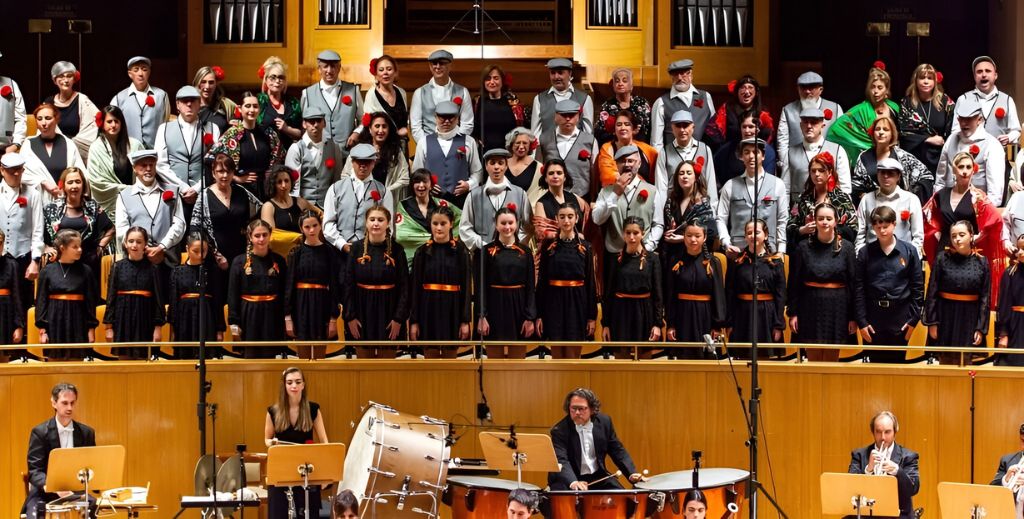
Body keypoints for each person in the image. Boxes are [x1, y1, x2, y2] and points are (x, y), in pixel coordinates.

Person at [923, 152, 1004, 299]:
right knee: (940, 291)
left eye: (968, 167)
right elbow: (927, 215)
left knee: (966, 293)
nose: (965, 171)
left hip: (967, 251)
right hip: (944, 248)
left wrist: (976, 238)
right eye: (961, 167)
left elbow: (996, 220)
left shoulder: (978, 196)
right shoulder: (941, 194)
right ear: (954, 170)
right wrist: (935, 233)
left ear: (974, 170)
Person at [854, 206, 925, 363]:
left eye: (886, 226)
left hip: (901, 318)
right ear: (873, 228)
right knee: (875, 367)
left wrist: (913, 320)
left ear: (894, 224)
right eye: (878, 227)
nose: (882, 231)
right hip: (873, 318)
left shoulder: (910, 251)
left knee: (898, 368)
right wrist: (862, 322)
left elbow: (917, 288)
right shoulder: (865, 253)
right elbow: (858, 289)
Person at [787, 203, 857, 360]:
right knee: (813, 358)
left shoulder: (847, 248)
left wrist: (853, 316)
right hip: (810, 307)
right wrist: (793, 313)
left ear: (836, 221)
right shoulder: (802, 247)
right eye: (820, 218)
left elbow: (853, 284)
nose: (824, 222)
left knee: (832, 360)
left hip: (838, 308)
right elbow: (794, 283)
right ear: (814, 220)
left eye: (828, 218)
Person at [343, 204, 409, 359]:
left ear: (388, 223)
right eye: (372, 219)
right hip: (362, 314)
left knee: (387, 366)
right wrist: (350, 317)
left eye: (380, 220)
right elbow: (347, 284)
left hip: (389, 313)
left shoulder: (398, 250)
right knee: (364, 362)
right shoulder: (356, 249)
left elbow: (405, 287)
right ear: (366, 223)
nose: (376, 223)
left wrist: (398, 319)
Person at [115, 150, 185, 294]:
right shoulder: (123, 196)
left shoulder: (173, 191)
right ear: (134, 168)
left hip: (167, 262)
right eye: (143, 166)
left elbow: (179, 224)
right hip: (137, 264)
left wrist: (162, 247)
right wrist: (144, 250)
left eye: (151, 165)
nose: (148, 169)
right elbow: (122, 230)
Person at [24, 383, 96, 519]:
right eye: (65, 403)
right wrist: (52, 487)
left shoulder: (87, 433)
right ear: (54, 403)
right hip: (44, 494)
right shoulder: (39, 432)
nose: (69, 408)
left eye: (72, 403)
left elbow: (91, 467)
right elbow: (35, 471)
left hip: (75, 493)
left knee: (93, 507)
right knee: (33, 515)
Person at [264, 367, 329, 518]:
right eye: (290, 382)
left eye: (297, 382)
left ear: (303, 385)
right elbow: (267, 439)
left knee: (306, 513)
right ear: (284, 385)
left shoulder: (313, 409)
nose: (294, 386)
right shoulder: (273, 411)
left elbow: (325, 442)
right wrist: (272, 442)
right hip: (281, 470)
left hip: (307, 471)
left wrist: (325, 475)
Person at [923, 220, 990, 365]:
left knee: (967, 363)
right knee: (946, 361)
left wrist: (980, 328)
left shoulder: (982, 262)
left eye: (961, 235)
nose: (957, 239)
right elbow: (932, 292)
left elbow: (985, 298)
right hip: (946, 315)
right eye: (953, 236)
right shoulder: (942, 258)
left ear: (971, 236)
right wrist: (932, 322)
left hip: (970, 317)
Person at [409, 204, 472, 358]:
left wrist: (465, 321)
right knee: (430, 356)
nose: (439, 228)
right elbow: (415, 289)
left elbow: (466, 288)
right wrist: (414, 321)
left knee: (450, 356)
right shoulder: (422, 252)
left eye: (443, 223)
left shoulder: (461, 251)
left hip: (453, 310)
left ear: (451, 224)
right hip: (428, 310)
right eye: (435, 223)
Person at [548, 388, 642, 491]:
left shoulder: (604, 422)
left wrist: (631, 473)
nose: (577, 412)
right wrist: (573, 482)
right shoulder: (560, 430)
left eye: (582, 409)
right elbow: (561, 460)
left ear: (592, 409)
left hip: (597, 476)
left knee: (624, 498)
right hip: (569, 478)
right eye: (573, 408)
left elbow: (617, 450)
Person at [536, 203, 597, 359]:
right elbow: (542, 282)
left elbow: (590, 283)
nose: (566, 221)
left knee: (572, 352)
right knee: (556, 351)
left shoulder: (585, 247)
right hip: (554, 302)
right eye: (562, 217)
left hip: (578, 303)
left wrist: (592, 316)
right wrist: (539, 315)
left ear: (576, 218)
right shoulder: (549, 246)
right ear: (556, 219)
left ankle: (574, 383)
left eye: (570, 216)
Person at [42, 167, 114, 298]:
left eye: (78, 181)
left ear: (83, 184)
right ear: (63, 185)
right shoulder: (51, 208)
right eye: (70, 182)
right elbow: (40, 233)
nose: (74, 186)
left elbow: (110, 228)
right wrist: (46, 247)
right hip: (60, 263)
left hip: (87, 262)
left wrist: (100, 246)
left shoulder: (93, 206)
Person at [476, 207, 536, 359]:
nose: (507, 227)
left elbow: (530, 287)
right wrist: (482, 316)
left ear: (516, 224)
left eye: (511, 222)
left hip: (518, 308)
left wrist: (530, 317)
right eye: (503, 223)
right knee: (494, 362)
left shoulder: (525, 252)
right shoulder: (486, 251)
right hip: (494, 307)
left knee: (517, 363)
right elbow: (480, 287)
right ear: (496, 225)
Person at [154, 86, 221, 219]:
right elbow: (160, 164)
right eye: (185, 101)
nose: (189, 104)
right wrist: (183, 188)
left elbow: (215, 164)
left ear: (199, 104)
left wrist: (197, 189)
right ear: (177, 105)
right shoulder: (164, 129)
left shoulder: (212, 128)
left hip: (203, 194)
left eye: (193, 100)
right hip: (174, 195)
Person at [206, 91, 285, 201]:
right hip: (241, 192)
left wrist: (271, 176)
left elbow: (280, 156)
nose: (252, 110)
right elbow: (210, 159)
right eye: (247, 106)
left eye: (255, 106)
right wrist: (235, 178)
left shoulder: (268, 132)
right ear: (239, 108)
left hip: (267, 190)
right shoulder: (232, 134)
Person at [716, 138, 789, 257]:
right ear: (741, 157)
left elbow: (782, 219)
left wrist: (781, 249)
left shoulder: (777, 184)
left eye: (756, 152)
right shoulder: (730, 186)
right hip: (738, 252)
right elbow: (721, 218)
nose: (751, 156)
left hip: (769, 251)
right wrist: (726, 244)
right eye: (746, 152)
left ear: (763, 156)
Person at [664, 220, 726, 359]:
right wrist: (671, 323)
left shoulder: (713, 262)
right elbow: (670, 294)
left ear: (704, 238)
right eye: (689, 235)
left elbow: (718, 294)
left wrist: (717, 325)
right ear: (683, 237)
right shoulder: (675, 261)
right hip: (682, 316)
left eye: (697, 236)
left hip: (705, 316)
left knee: (707, 360)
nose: (693, 239)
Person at [724, 219, 786, 358]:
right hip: (742, 316)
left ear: (765, 235)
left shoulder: (775, 262)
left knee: (765, 359)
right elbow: (730, 293)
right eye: (749, 233)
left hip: (767, 315)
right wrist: (729, 323)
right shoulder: (737, 261)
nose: (752, 236)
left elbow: (780, 296)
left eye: (756, 232)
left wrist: (778, 325)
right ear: (745, 237)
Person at [191, 153, 261, 274]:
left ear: (233, 173)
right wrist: (216, 255)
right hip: (215, 260)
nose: (225, 175)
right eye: (220, 171)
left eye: (229, 171)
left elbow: (259, 211)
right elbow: (195, 228)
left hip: (242, 258)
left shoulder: (242, 192)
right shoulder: (204, 196)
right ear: (213, 173)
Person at [285, 211, 341, 359]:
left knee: (319, 352)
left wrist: (333, 317)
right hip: (300, 305)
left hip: (322, 304)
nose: (311, 230)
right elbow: (289, 285)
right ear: (301, 228)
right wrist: (287, 316)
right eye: (307, 226)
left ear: (320, 226)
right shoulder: (295, 253)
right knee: (303, 350)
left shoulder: (329, 252)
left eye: (315, 225)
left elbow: (335, 286)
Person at [227, 219, 288, 358]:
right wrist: (234, 322)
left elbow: (285, 291)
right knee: (250, 355)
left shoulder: (279, 261)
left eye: (265, 235)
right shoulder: (239, 262)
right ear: (250, 237)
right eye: (257, 235)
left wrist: (286, 317)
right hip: (248, 314)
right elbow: (233, 294)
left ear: (270, 235)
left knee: (271, 356)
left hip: (272, 315)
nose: (261, 239)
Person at [36, 229, 99, 360]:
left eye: (80, 246)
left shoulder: (86, 271)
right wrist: (42, 330)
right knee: (54, 359)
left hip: (78, 320)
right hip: (54, 321)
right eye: (75, 247)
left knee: (77, 360)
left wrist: (91, 328)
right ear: (62, 248)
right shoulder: (47, 271)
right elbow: (41, 301)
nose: (80, 250)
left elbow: (90, 302)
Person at [324, 143, 394, 257]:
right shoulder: (335, 189)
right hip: (339, 251)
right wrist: (342, 244)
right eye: (358, 161)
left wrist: (374, 246)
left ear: (373, 163)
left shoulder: (384, 192)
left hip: (370, 252)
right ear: (352, 162)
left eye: (367, 161)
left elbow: (388, 226)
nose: (362, 165)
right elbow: (328, 223)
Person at [105, 227, 164, 359]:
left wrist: (158, 328)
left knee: (144, 359)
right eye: (131, 241)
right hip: (122, 318)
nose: (134, 245)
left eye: (138, 241)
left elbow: (158, 300)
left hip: (145, 318)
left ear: (145, 244)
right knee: (124, 359)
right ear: (125, 243)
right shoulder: (117, 267)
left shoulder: (153, 268)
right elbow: (111, 298)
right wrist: (109, 327)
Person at [934, 97, 1006, 206]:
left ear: (979, 119)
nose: (964, 123)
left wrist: (983, 212)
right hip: (949, 206)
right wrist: (938, 203)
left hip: (977, 207)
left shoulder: (992, 145)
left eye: (969, 119)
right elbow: (940, 178)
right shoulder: (951, 139)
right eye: (962, 119)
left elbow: (995, 193)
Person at [848, 411, 920, 519]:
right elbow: (850, 487)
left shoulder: (909, 456)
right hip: (867, 514)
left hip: (898, 515)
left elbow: (913, 489)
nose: (883, 437)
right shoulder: (859, 454)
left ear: (895, 432)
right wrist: (869, 469)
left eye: (887, 432)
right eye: (878, 432)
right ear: (873, 432)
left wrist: (897, 471)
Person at [827, 63, 900, 170]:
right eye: (872, 87)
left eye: (880, 87)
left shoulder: (894, 108)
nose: (876, 91)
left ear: (886, 90)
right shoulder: (860, 110)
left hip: (892, 156)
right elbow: (834, 131)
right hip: (869, 161)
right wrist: (866, 146)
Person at [410, 100, 483, 207]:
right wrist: (426, 184)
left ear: (458, 118)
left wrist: (469, 185)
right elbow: (417, 172)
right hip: (432, 201)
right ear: (435, 117)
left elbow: (477, 171)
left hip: (462, 201)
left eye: (451, 117)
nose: (447, 121)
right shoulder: (423, 142)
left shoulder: (469, 141)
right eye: (442, 117)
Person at [167, 231, 226, 359]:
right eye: (196, 251)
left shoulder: (212, 271)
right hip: (184, 319)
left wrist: (219, 330)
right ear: (187, 249)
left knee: (207, 357)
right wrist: (172, 330)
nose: (200, 255)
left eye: (203, 251)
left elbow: (218, 302)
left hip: (207, 318)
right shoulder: (177, 272)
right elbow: (173, 302)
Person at [850, 116, 933, 206]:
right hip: (874, 208)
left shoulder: (902, 156)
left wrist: (910, 196)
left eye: (885, 129)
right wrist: (863, 197)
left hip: (900, 206)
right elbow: (856, 185)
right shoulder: (864, 157)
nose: (881, 132)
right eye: (877, 129)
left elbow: (926, 176)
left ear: (892, 134)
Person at [460, 148, 531, 252]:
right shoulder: (473, 196)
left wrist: (514, 242)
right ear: (486, 166)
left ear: (506, 166)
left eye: (500, 163)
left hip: (513, 253)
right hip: (483, 255)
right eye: (492, 163)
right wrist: (482, 244)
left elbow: (527, 226)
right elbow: (465, 227)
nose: (496, 167)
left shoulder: (520, 194)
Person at [0, 153, 44, 316]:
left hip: (23, 256)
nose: (17, 174)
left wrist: (35, 261)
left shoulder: (33, 194)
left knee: (24, 303)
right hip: (1, 258)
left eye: (20, 169)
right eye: (12, 170)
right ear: (2, 170)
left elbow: (37, 230)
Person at [786, 151, 857, 248]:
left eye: (821, 170)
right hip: (809, 249)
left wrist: (830, 227)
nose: (817, 174)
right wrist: (803, 230)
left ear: (829, 172)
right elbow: (790, 228)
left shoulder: (842, 199)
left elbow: (853, 230)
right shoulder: (803, 199)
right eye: (813, 171)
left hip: (836, 249)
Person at [654, 110, 718, 217]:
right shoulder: (664, 152)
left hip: (699, 207)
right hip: (674, 208)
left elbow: (710, 183)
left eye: (686, 125)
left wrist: (713, 213)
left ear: (693, 127)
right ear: (672, 128)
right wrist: (663, 217)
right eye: (678, 125)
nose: (682, 129)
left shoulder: (705, 149)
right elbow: (661, 188)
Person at [854, 158, 924, 255]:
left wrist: (911, 258)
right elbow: (859, 234)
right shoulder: (867, 199)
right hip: (872, 257)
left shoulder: (911, 199)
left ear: (898, 176)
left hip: (903, 257)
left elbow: (918, 236)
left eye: (891, 173)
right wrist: (861, 256)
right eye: (882, 172)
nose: (886, 176)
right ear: (877, 175)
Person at [301, 50, 362, 157]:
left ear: (339, 68)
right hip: (319, 155)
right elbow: (304, 125)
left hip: (348, 154)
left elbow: (363, 119)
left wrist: (357, 133)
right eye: (325, 66)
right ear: (319, 69)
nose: (329, 70)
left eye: (333, 66)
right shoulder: (307, 93)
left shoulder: (354, 90)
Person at [782, 107, 850, 202]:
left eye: (814, 122)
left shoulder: (838, 150)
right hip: (799, 211)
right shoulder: (790, 152)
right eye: (805, 122)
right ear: (801, 125)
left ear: (822, 125)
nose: (809, 126)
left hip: (829, 210)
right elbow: (785, 189)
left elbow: (845, 188)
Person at [395, 168, 462, 264]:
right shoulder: (403, 206)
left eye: (425, 181)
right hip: (412, 260)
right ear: (412, 185)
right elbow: (402, 235)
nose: (421, 185)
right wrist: (436, 238)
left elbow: (462, 220)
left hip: (440, 256)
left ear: (431, 185)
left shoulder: (441, 204)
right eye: (417, 182)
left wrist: (447, 239)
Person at [87, 106, 144, 216]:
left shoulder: (135, 145)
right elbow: (97, 183)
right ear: (102, 124)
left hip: (136, 205)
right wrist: (131, 190)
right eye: (109, 121)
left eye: (116, 121)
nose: (113, 125)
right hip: (108, 210)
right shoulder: (96, 148)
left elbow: (146, 172)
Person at [21, 103, 86, 201]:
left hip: (66, 200)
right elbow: (20, 174)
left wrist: (65, 190)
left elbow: (81, 174)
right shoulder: (28, 144)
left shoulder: (68, 144)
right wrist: (43, 182)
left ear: (56, 119)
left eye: (48, 118)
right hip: (36, 201)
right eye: (39, 119)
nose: (43, 123)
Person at [897, 63, 954, 175]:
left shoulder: (945, 101)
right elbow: (903, 132)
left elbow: (953, 128)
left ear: (935, 81)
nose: (926, 81)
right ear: (916, 80)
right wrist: (927, 139)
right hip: (914, 158)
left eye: (930, 78)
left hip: (939, 157)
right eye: (922, 78)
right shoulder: (907, 103)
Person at [777, 71, 843, 166]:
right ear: (798, 89)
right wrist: (788, 164)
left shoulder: (835, 108)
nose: (807, 91)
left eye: (811, 87)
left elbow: (840, 139)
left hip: (827, 165)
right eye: (803, 87)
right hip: (797, 165)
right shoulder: (788, 110)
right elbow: (782, 142)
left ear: (821, 89)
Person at [953, 56, 1021, 148]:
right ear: (974, 76)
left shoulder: (1008, 100)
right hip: (969, 157)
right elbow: (955, 130)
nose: (984, 74)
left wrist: (1009, 137)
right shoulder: (963, 99)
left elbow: (1016, 130)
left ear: (995, 75)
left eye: (988, 71)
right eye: (979, 71)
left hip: (999, 155)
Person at [535, 99, 597, 199]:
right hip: (551, 198)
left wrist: (594, 199)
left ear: (578, 117)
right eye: (563, 115)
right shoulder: (544, 139)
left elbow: (594, 173)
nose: (568, 118)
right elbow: (538, 170)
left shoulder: (590, 141)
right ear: (555, 117)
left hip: (582, 197)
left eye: (572, 115)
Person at [284, 106, 344, 208]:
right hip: (303, 204)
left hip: (327, 204)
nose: (315, 125)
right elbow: (293, 183)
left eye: (318, 121)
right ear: (304, 124)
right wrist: (295, 206)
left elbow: (337, 179)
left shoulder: (334, 147)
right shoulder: (296, 149)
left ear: (324, 123)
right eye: (311, 121)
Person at [409, 50, 473, 144]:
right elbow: (416, 127)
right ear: (430, 66)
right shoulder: (419, 92)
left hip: (455, 148)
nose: (438, 67)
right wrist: (426, 146)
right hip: (428, 147)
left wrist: (454, 145)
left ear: (450, 65)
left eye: (442, 63)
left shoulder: (463, 91)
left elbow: (467, 124)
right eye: (434, 63)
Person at [345, 111, 409, 201]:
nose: (381, 130)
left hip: (387, 200)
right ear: (370, 129)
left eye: (384, 126)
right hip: (361, 199)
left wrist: (385, 191)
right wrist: (359, 190)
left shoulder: (396, 151)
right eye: (377, 126)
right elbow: (345, 175)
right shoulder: (359, 149)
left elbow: (405, 178)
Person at [660, 160, 719, 258]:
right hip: (672, 254)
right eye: (681, 173)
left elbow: (711, 232)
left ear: (695, 177)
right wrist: (667, 233)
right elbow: (666, 225)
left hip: (695, 254)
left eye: (689, 173)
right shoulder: (671, 200)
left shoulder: (702, 203)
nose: (684, 176)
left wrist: (684, 238)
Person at [650, 59, 714, 148]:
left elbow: (714, 131)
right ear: (671, 77)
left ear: (691, 75)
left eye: (683, 73)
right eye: (676, 74)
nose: (680, 78)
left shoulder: (706, 97)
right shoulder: (661, 102)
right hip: (673, 157)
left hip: (700, 156)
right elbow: (656, 142)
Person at [109, 56, 170, 149]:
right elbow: (112, 126)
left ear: (149, 72)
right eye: (136, 70)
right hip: (129, 152)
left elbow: (165, 122)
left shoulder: (161, 96)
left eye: (144, 69)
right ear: (130, 74)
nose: (140, 73)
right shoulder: (119, 98)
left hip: (155, 151)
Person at [43, 61, 99, 161]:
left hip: (79, 152)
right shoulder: (48, 103)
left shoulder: (82, 99)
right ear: (55, 80)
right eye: (61, 76)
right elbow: (42, 128)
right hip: (53, 149)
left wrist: (71, 145)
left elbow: (95, 123)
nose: (66, 80)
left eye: (69, 76)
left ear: (74, 79)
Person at [712, 110, 779, 190]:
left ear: (758, 128)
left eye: (751, 127)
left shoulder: (768, 151)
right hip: (733, 194)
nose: (747, 131)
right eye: (744, 127)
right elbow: (715, 166)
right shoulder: (728, 149)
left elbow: (768, 180)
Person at [705, 74, 774, 151]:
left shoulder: (763, 112)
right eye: (743, 88)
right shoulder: (727, 108)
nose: (746, 91)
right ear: (737, 92)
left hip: (755, 153)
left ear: (756, 92)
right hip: (731, 153)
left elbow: (768, 137)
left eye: (750, 88)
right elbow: (712, 131)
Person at [531, 58, 593, 137]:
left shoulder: (584, 99)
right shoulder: (539, 99)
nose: (556, 77)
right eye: (553, 73)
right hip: (548, 149)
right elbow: (535, 133)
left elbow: (588, 134)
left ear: (570, 74)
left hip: (575, 148)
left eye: (560, 73)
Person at [595, 111, 658, 186]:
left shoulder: (649, 151)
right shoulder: (607, 148)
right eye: (619, 125)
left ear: (633, 129)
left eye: (627, 124)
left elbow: (657, 178)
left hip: (643, 194)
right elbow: (607, 176)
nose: (623, 128)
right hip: (614, 194)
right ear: (614, 129)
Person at [473, 64, 526, 152]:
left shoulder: (513, 101)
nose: (492, 82)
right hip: (484, 153)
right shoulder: (477, 102)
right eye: (488, 78)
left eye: (496, 78)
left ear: (502, 81)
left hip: (510, 153)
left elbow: (521, 128)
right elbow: (473, 128)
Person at [533, 159, 590, 242]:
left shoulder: (574, 197)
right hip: (555, 249)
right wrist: (572, 234)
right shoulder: (541, 203)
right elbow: (541, 233)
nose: (555, 176)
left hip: (579, 247)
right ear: (545, 178)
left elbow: (589, 217)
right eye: (551, 173)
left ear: (564, 177)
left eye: (559, 173)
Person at [595, 67, 652, 145]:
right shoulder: (607, 106)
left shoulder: (642, 103)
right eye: (617, 81)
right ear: (613, 86)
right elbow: (599, 134)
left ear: (631, 85)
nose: (620, 84)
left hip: (640, 147)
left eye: (624, 81)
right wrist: (617, 133)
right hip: (614, 148)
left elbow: (650, 130)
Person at [257, 56, 303, 150]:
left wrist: (287, 129)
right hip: (265, 155)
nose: (277, 81)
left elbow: (302, 134)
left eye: (281, 77)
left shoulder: (293, 103)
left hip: (290, 156)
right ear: (266, 80)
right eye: (273, 77)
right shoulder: (258, 102)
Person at [363, 55, 409, 146]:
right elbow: (368, 126)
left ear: (395, 72)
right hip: (381, 147)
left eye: (389, 69)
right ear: (376, 74)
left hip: (401, 145)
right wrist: (397, 133)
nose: (385, 73)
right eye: (381, 70)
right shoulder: (372, 95)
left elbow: (404, 120)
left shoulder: (402, 92)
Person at [260, 166, 320, 233]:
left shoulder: (300, 202)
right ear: (273, 185)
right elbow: (272, 234)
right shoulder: (268, 207)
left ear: (291, 182)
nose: (284, 185)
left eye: (286, 181)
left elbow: (321, 214)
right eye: (279, 182)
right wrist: (299, 238)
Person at [504, 126, 545, 204]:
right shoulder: (502, 165)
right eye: (518, 143)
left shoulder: (538, 167)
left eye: (525, 143)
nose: (521, 147)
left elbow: (541, 194)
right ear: (511, 145)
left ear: (530, 145)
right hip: (504, 213)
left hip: (529, 213)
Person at [0, 230, 24, 351]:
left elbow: (17, 297)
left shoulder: (11, 264)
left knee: (4, 356)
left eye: (0, 243)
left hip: (5, 314)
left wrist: (19, 325)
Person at [193, 65, 236, 133]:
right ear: (197, 83)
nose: (207, 86)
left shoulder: (225, 104)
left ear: (216, 84)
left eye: (211, 82)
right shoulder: (191, 105)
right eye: (203, 82)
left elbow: (241, 116)